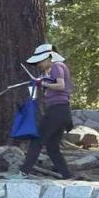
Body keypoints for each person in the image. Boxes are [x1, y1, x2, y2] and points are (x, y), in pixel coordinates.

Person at [19, 43, 74, 180]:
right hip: (62, 111)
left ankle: (24, 172)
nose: (38, 65)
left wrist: (43, 84)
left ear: (49, 57)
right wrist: (41, 82)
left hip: (57, 110)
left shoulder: (57, 66)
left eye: (40, 61)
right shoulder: (52, 71)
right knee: (52, 147)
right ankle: (67, 175)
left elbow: (60, 85)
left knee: (37, 140)